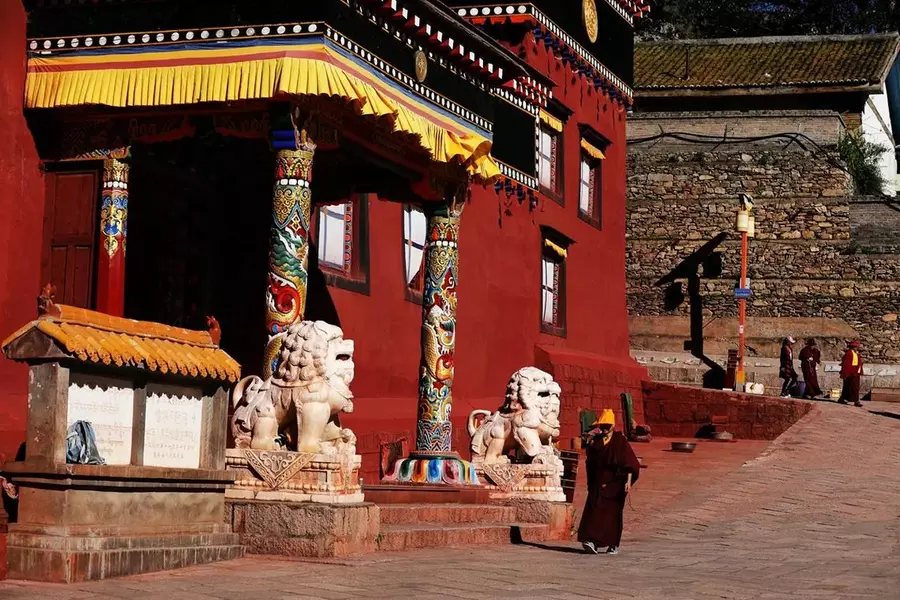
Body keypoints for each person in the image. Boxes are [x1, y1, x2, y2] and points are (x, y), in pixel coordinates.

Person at [577, 408, 641, 556]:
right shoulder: (597, 442)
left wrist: (628, 482)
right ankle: (591, 540)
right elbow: (591, 463)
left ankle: (612, 544)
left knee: (612, 514)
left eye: (607, 426)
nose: (604, 429)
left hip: (616, 482)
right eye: (602, 426)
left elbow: (630, 463)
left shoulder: (620, 441)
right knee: (594, 510)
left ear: (612, 426)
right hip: (599, 481)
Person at [839, 340, 864, 407]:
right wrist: (845, 373)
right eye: (856, 347)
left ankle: (843, 399)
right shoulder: (849, 354)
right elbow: (846, 364)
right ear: (853, 347)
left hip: (855, 373)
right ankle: (856, 401)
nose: (857, 348)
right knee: (851, 387)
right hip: (851, 374)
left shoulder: (855, 353)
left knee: (852, 387)